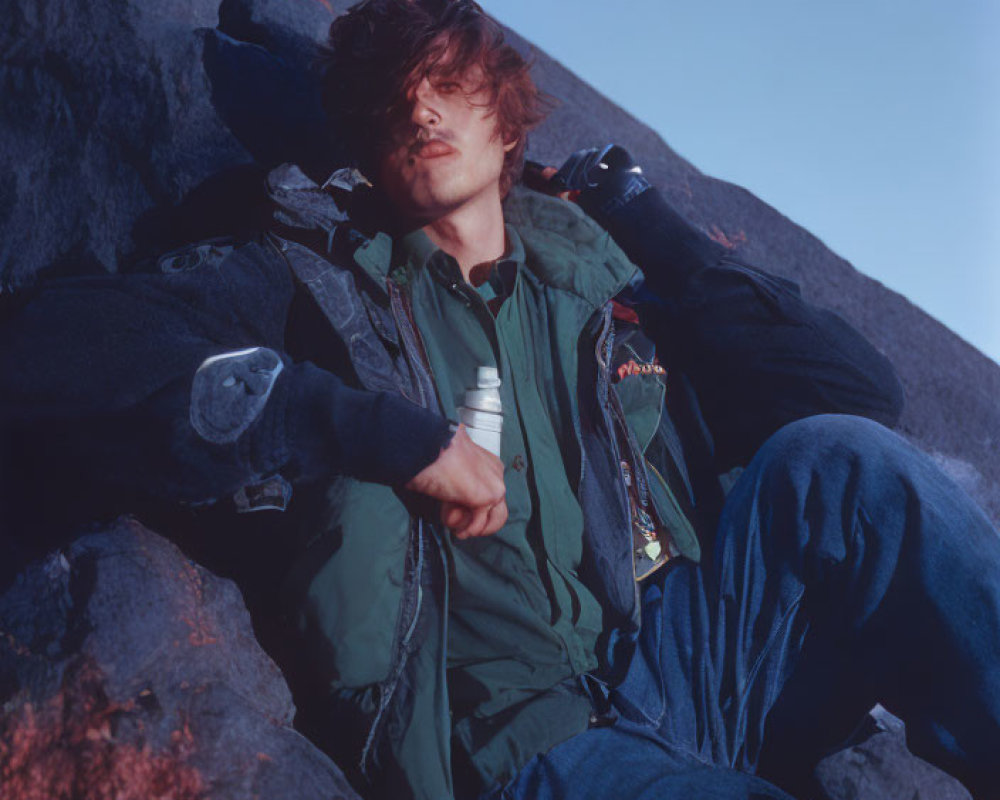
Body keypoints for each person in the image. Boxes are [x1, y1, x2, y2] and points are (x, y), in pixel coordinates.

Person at [1, 2, 998, 800]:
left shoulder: (604, 290)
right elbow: (60, 346)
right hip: (518, 735)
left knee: (844, 459)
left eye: (448, 85)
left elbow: (851, 388)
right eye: (393, 103)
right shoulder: (312, 284)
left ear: (508, 115)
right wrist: (372, 427)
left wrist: (643, 214)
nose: (422, 112)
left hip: (681, 662)